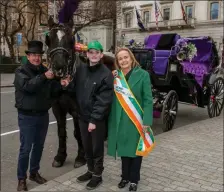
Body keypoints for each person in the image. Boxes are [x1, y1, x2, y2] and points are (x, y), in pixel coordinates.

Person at [62, 40, 114, 190]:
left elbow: (103, 101)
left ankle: (97, 175)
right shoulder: (81, 69)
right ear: (87, 54)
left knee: (97, 147)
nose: (93, 55)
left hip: (96, 120)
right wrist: (67, 84)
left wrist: (94, 119)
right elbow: (75, 89)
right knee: (87, 146)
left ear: (101, 54)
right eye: (91, 52)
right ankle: (90, 170)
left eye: (96, 52)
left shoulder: (105, 74)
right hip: (83, 117)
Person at [14, 40, 64, 191]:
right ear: (28, 56)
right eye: (33, 55)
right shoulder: (21, 71)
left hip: (43, 115)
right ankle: (21, 178)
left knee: (39, 147)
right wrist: (44, 77)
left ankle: (34, 173)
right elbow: (27, 86)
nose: (36, 58)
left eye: (38, 55)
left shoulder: (45, 71)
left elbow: (53, 91)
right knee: (26, 148)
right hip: (27, 116)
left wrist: (61, 84)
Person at [107, 47, 155, 191]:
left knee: (135, 151)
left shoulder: (143, 75)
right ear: (117, 62)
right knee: (123, 150)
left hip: (136, 119)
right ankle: (124, 177)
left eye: (125, 57)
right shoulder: (116, 77)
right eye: (120, 59)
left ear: (131, 58)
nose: (123, 60)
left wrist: (147, 121)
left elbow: (148, 100)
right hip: (120, 119)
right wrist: (111, 77)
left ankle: (134, 180)